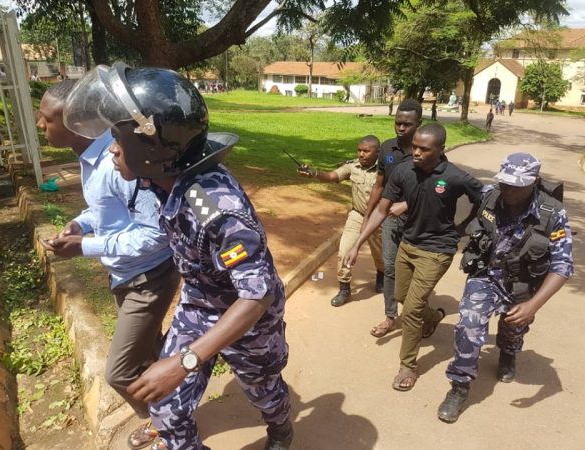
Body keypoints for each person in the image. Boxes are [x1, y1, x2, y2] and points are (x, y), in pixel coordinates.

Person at [63, 63, 293, 450]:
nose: (113, 149)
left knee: (263, 391)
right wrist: (83, 227)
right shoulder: (155, 179)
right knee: (166, 408)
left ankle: (281, 429)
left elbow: (257, 295)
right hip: (201, 306)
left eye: (118, 138)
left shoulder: (216, 209)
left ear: (154, 148)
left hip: (249, 316)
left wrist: (185, 360)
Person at [38, 80, 180, 450]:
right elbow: (107, 210)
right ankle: (175, 406)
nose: (40, 125)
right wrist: (82, 224)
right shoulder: (91, 158)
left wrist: (85, 245)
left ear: (71, 125)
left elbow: (156, 234)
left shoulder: (118, 161)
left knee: (118, 371)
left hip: (149, 277)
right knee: (147, 352)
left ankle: (162, 424)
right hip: (126, 274)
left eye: (45, 118)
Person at [344, 123, 483, 391]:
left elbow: (484, 199)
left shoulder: (455, 176)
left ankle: (407, 365)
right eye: (415, 146)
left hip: (438, 250)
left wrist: (463, 228)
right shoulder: (403, 171)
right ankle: (432, 318)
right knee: (400, 295)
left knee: (410, 309)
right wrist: (358, 243)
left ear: (440, 150)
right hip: (408, 245)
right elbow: (382, 209)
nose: (416, 152)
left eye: (423, 149)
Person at [437, 153, 573, 423]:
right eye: (506, 182)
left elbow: (562, 266)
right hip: (486, 275)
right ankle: (459, 386)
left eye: (517, 184)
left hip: (523, 283)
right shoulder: (490, 195)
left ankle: (508, 351)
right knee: (469, 323)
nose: (508, 189)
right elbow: (468, 212)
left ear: (534, 182)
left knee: (514, 325)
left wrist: (533, 305)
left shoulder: (552, 213)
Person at [297, 135, 385, 307]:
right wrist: (313, 172)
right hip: (357, 215)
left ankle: (381, 277)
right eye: (359, 150)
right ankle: (344, 288)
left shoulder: (385, 170)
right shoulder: (353, 167)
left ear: (378, 152)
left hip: (378, 218)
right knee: (344, 251)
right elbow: (332, 176)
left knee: (380, 253)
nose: (361, 154)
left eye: (366, 151)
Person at [361, 99, 422, 338]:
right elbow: (379, 185)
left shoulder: (427, 149)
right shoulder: (386, 148)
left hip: (418, 221)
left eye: (407, 124)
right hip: (390, 220)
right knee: (389, 267)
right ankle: (390, 316)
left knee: (415, 271)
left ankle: (417, 314)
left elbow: (434, 187)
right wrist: (368, 216)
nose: (401, 128)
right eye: (398, 123)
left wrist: (407, 204)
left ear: (419, 124)